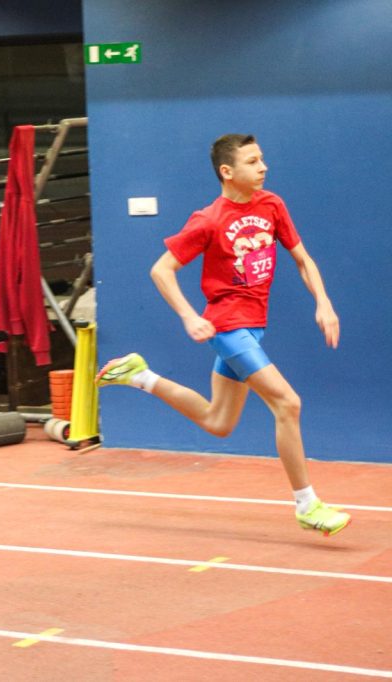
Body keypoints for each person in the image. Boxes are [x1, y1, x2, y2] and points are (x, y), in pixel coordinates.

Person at [97, 133, 350, 537]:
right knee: (288, 403)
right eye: (252, 162)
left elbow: (302, 259)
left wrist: (324, 301)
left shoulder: (272, 205)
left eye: (262, 159)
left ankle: (140, 375)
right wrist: (188, 315)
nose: (263, 167)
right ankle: (307, 504)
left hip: (253, 326)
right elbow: (161, 270)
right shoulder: (208, 219)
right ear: (227, 172)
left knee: (218, 422)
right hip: (228, 325)